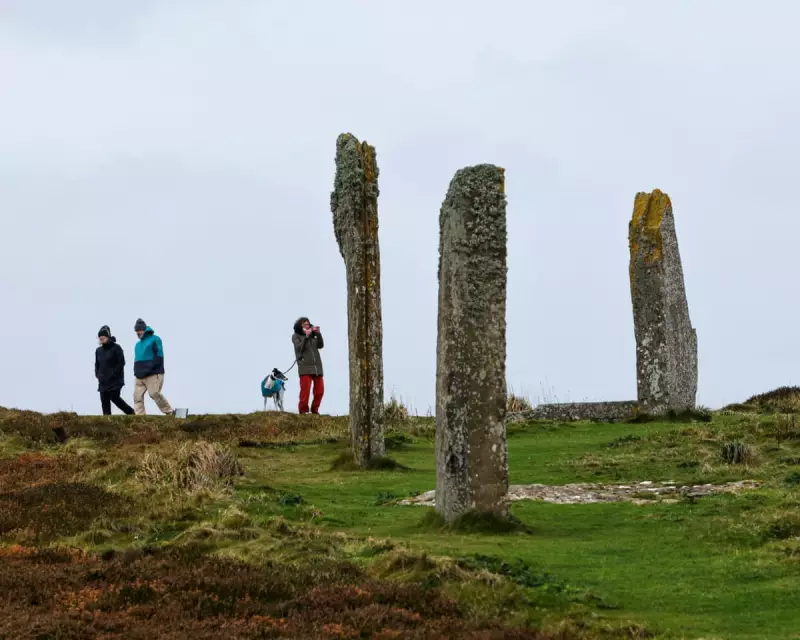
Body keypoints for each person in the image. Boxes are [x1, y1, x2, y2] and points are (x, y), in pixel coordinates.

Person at [133, 318, 174, 416]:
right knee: (137, 397)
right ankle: (140, 417)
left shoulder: (155, 339)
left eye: (139, 330)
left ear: (144, 330)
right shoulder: (137, 345)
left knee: (154, 394)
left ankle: (170, 412)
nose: (137, 333)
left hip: (153, 373)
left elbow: (159, 356)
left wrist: (151, 369)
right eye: (136, 331)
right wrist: (136, 371)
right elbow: (136, 359)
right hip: (140, 375)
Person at [95, 325, 134, 416]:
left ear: (108, 337)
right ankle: (107, 420)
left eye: (103, 337)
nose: (101, 339)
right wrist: (97, 374)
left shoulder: (116, 348)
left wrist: (114, 373)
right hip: (103, 381)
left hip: (115, 380)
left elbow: (121, 363)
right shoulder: (98, 350)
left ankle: (131, 412)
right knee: (104, 400)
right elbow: (97, 364)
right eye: (100, 337)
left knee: (115, 398)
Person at [292, 317, 324, 414]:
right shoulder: (295, 336)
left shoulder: (313, 336)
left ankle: (315, 410)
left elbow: (320, 345)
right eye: (304, 324)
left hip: (317, 367)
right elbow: (299, 348)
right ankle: (303, 411)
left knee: (320, 391)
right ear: (300, 326)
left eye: (308, 324)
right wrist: (306, 337)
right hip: (304, 367)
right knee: (305, 391)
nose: (307, 325)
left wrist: (318, 334)